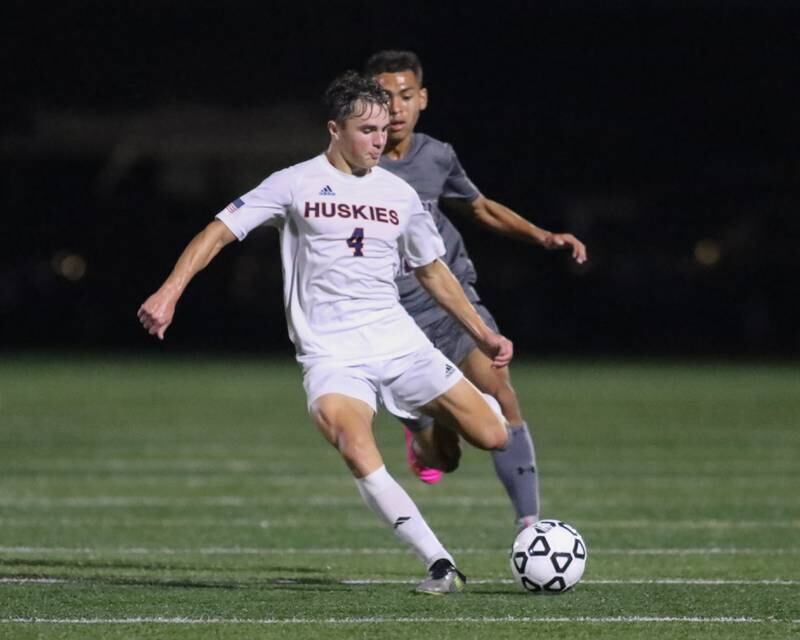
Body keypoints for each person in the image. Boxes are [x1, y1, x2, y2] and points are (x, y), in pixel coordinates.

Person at [137, 71, 514, 594]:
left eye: (384, 129)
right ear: (334, 129)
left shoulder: (399, 195)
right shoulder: (293, 182)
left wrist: (482, 334)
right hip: (332, 356)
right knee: (353, 443)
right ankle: (440, 563)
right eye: (367, 130)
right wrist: (170, 291)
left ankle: (425, 424)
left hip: (399, 345)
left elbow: (432, 270)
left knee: (493, 436)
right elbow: (217, 232)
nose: (379, 140)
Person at [364, 50, 588, 529]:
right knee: (443, 459)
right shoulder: (356, 166)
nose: (397, 107)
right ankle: (420, 425)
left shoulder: (436, 156)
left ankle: (531, 526)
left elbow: (481, 208)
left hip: (452, 303)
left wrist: (543, 236)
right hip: (395, 320)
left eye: (406, 96)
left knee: (501, 389)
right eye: (385, 97)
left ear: (422, 98)